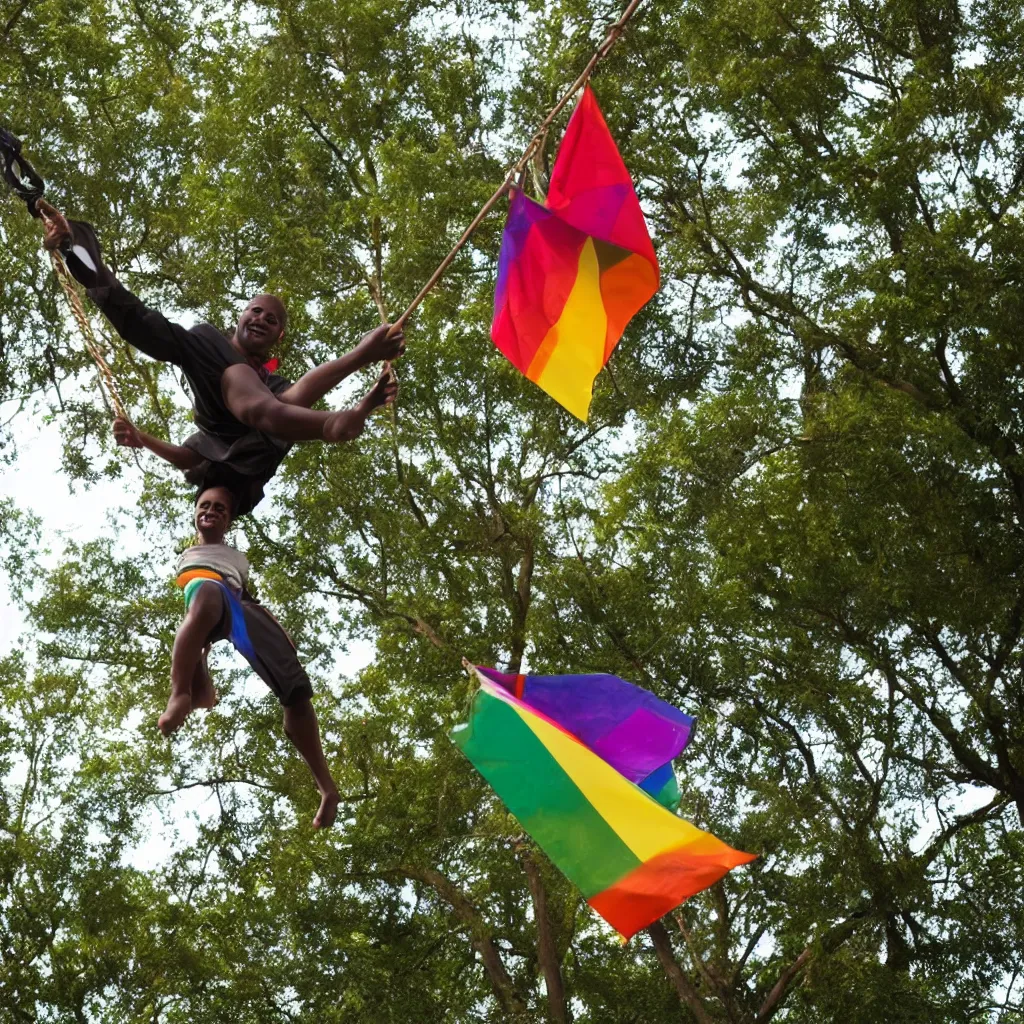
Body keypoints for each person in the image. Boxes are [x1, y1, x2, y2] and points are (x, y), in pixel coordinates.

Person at [36, 199, 404, 513]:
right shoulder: (207, 342)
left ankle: (342, 407)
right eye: (255, 311)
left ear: (279, 335)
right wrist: (71, 247)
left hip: (256, 437)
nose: (261, 318)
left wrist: (141, 437)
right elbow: (137, 318)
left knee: (283, 400)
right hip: (235, 412)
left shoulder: (272, 384)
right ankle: (334, 420)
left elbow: (199, 454)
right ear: (241, 317)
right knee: (197, 349)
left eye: (271, 319)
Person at [172, 484, 340, 829]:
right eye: (205, 505)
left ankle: (327, 787)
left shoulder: (237, 558)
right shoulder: (188, 557)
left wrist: (274, 632)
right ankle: (182, 692)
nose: (211, 511)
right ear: (194, 513)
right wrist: (140, 439)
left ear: (230, 520)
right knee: (205, 595)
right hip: (207, 599)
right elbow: (187, 459)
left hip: (238, 606)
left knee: (297, 695)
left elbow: (244, 596)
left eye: (220, 508)